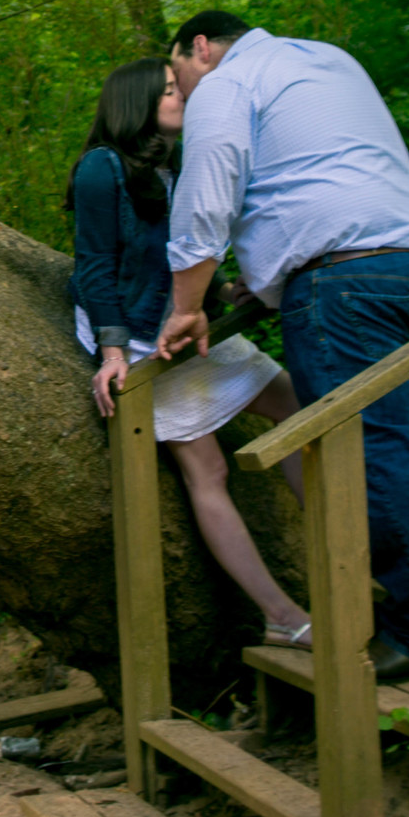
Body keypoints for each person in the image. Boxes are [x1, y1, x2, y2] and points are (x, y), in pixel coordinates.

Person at [146, 11, 409, 682]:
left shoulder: (229, 82)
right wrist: (265, 277)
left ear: (199, 47)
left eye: (177, 71)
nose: (180, 87)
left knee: (367, 450)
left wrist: (186, 308)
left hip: (342, 285)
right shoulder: (326, 60)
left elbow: (208, 197)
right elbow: (323, 173)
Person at [72, 57, 317, 649]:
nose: (181, 95)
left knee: (299, 408)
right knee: (207, 471)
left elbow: (185, 251)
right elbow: (96, 265)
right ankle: (282, 616)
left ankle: (353, 558)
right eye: (168, 90)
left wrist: (224, 292)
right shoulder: (102, 167)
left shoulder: (176, 165)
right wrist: (112, 354)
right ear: (136, 102)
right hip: (137, 337)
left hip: (184, 325)